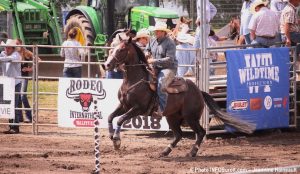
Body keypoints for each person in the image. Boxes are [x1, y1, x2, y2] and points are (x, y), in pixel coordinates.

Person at [145, 22, 177, 115]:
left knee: (161, 85)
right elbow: (147, 49)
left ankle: (164, 111)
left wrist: (154, 61)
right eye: (155, 30)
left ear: (163, 32)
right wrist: (147, 52)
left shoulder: (170, 43)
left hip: (169, 68)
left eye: (158, 31)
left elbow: (170, 59)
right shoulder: (152, 40)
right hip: (155, 67)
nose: (156, 32)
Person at [0, 39, 22, 134]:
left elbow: (11, 59)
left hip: (15, 82)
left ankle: (15, 126)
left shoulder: (16, 55)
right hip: (7, 82)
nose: (6, 49)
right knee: (9, 105)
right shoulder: (3, 54)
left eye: (9, 47)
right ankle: (11, 126)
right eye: (6, 47)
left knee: (15, 105)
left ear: (13, 48)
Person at [16, 39, 33, 123]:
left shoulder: (26, 52)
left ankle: (29, 116)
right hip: (16, 77)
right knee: (18, 96)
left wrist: (30, 69)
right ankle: (19, 117)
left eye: (18, 44)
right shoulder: (14, 53)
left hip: (24, 77)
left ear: (21, 44)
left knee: (23, 96)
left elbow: (38, 60)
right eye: (15, 44)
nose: (16, 45)